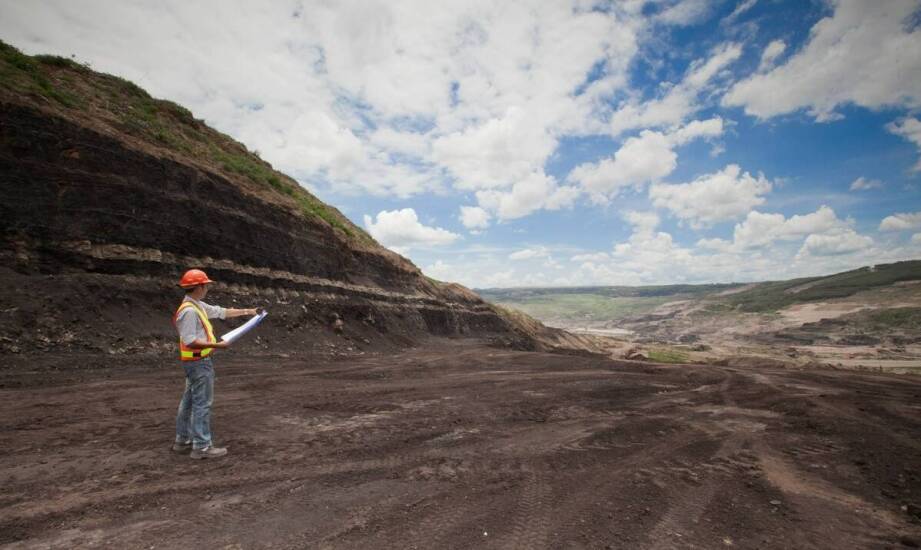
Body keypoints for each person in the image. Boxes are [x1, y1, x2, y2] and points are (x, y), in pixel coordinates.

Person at [172, 268, 258, 459]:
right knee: (202, 403)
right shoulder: (189, 312)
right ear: (199, 287)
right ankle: (202, 446)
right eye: (206, 285)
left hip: (195, 362)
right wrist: (217, 345)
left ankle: (182, 440)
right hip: (198, 363)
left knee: (188, 402)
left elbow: (221, 312)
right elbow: (189, 340)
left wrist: (248, 312)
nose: (207, 288)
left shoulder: (196, 306)